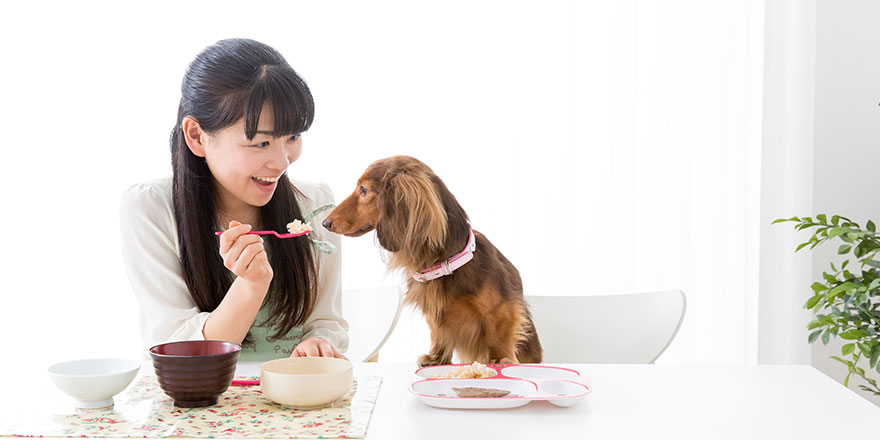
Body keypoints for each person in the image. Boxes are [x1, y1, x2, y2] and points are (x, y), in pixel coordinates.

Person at [119, 38, 347, 361]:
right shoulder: (150, 210)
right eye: (261, 144)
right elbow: (180, 354)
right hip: (197, 407)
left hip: (296, 402)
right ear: (197, 136)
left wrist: (319, 345)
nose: (283, 162)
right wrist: (251, 287)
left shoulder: (315, 207)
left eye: (293, 137)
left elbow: (326, 323)